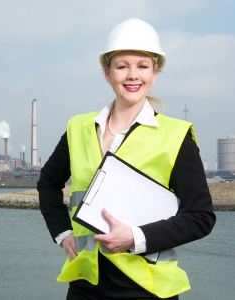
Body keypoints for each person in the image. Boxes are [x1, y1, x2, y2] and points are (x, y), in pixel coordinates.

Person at [37, 18, 216, 300]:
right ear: (107, 74)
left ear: (155, 73)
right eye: (122, 66)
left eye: (142, 66)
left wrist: (135, 238)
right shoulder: (79, 128)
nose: (133, 75)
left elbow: (201, 217)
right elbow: (48, 184)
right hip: (85, 284)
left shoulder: (176, 136)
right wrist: (62, 233)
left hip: (146, 288)